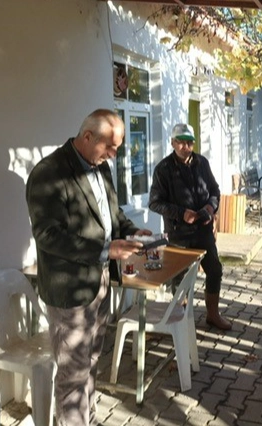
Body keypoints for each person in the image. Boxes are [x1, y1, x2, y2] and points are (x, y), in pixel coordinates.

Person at [26, 109, 152, 425]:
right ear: (87, 137)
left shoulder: (101, 167)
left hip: (100, 281)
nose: (113, 155)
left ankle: (88, 418)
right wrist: (105, 249)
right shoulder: (49, 173)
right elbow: (48, 235)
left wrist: (131, 231)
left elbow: (112, 214)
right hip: (70, 291)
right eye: (110, 147)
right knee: (73, 374)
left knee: (91, 361)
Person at [148, 123, 232, 330]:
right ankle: (181, 320)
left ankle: (212, 315)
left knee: (215, 270)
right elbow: (154, 203)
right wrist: (181, 213)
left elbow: (215, 191)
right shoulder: (163, 169)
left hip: (203, 231)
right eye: (181, 142)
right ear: (172, 143)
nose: (186, 147)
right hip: (179, 234)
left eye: (189, 142)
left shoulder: (202, 162)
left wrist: (210, 208)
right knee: (180, 277)